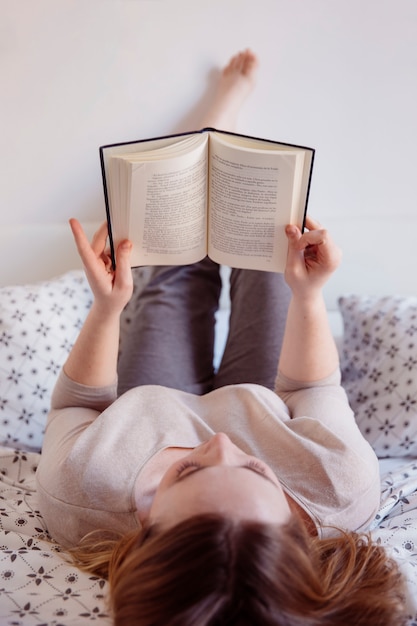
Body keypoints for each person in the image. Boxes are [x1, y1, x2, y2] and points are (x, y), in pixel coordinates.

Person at [36, 50, 407, 625]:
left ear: (144, 530)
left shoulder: (85, 494)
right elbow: (312, 387)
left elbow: (79, 405)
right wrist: (309, 296)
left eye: (190, 473)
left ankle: (209, 129)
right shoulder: (338, 486)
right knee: (272, 260)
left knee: (167, 272)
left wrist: (107, 309)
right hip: (271, 404)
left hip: (154, 409)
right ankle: (231, 150)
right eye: (256, 473)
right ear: (295, 520)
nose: (224, 448)